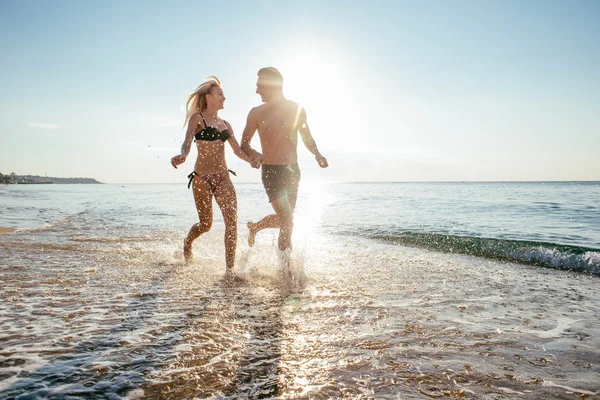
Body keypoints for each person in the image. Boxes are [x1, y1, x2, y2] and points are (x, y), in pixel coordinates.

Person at [171, 76, 254, 274]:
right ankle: (188, 241)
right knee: (206, 224)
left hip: (223, 177)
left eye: (223, 95)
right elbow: (187, 142)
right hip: (202, 178)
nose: (224, 99)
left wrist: (251, 159)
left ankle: (230, 270)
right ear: (208, 97)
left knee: (232, 223)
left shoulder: (226, 124)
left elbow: (237, 151)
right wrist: (182, 155)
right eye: (220, 95)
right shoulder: (197, 118)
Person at [241, 67, 328, 251]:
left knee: (286, 220)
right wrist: (253, 155)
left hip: (292, 171)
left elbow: (306, 136)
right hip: (270, 172)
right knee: (288, 219)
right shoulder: (255, 113)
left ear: (273, 84)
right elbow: (245, 144)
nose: (256, 91)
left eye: (259, 86)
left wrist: (317, 154)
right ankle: (286, 271)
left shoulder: (297, 108)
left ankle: (256, 227)